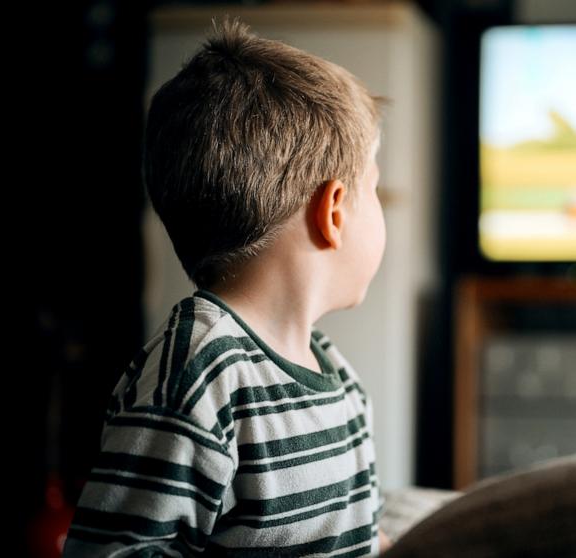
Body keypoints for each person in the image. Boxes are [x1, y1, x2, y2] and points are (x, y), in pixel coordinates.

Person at [62, 16, 392, 557]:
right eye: (373, 189)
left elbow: (360, 535)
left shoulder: (338, 377)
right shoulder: (197, 378)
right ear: (333, 211)